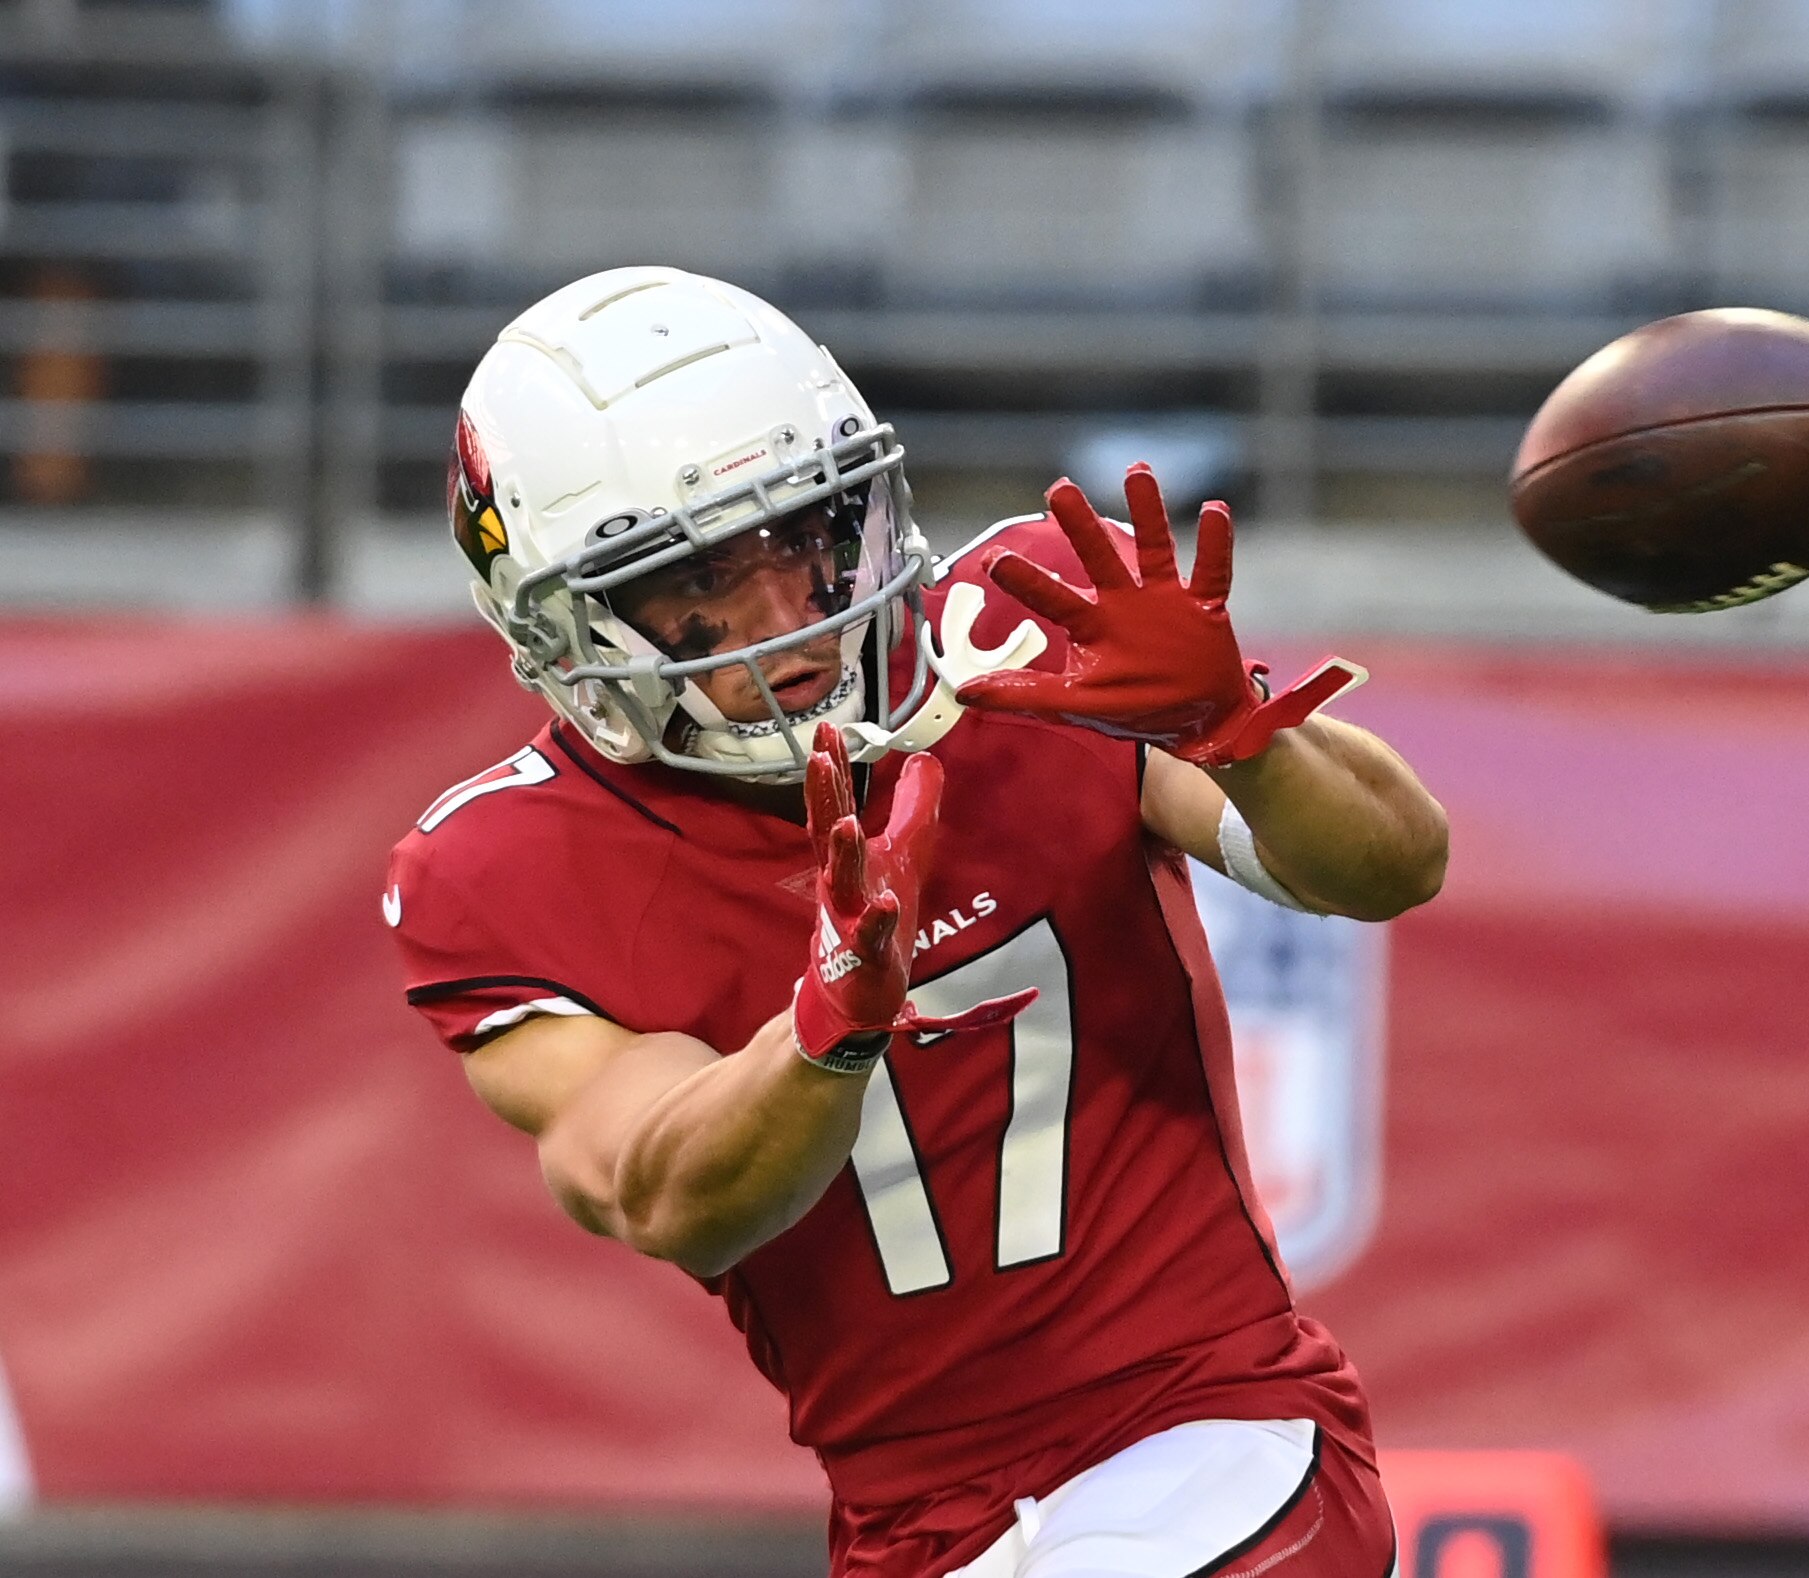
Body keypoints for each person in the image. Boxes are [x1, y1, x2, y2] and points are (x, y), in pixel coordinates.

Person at [388, 266, 1448, 1578]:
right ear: (564, 621)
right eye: (700, 582)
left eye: (811, 532)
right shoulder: (502, 864)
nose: (795, 620)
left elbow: (1393, 864)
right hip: (914, 1527)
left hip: (1208, 1423)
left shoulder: (1018, 624)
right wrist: (830, 1019)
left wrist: (1236, 735)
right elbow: (665, 1190)